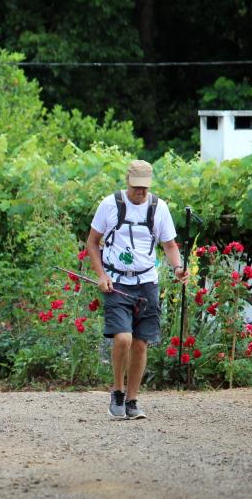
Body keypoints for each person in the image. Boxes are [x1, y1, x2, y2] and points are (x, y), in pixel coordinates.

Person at [86, 160, 188, 420]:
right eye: (136, 187)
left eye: (144, 188)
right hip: (117, 282)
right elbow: (92, 242)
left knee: (141, 344)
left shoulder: (159, 207)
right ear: (127, 181)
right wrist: (101, 275)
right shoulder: (110, 205)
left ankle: (132, 400)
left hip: (146, 283)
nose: (140, 192)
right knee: (123, 339)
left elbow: (169, 245)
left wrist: (177, 268)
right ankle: (117, 393)